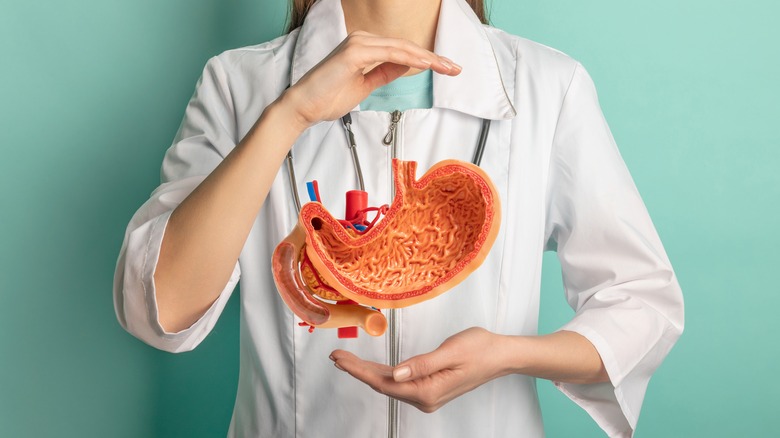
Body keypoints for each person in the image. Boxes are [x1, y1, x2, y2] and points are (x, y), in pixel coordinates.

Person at [113, 0, 684, 436]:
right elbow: (158, 310)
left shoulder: (546, 87)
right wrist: (289, 114)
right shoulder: (239, 86)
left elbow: (642, 302)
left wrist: (509, 355)